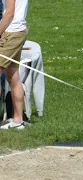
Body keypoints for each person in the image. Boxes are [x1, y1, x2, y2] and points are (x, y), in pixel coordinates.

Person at [0, 0, 28, 129]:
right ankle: (18, 121)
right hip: (18, 30)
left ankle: (18, 120)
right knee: (12, 76)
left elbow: (10, 13)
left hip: (10, 32)